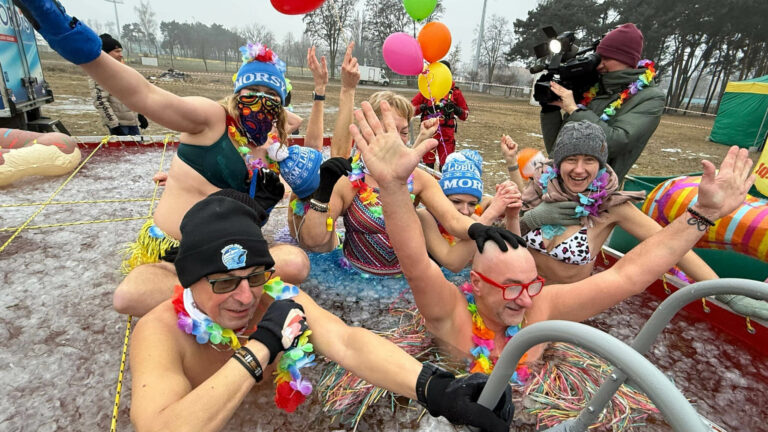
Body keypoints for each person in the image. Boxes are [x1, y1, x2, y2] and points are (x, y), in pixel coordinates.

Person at [349, 98, 754, 368]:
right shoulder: (448, 312)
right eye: (512, 288)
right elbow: (417, 264)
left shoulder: (542, 306)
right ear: (476, 283)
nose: (525, 298)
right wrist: (393, 187)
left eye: (531, 287)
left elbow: (627, 275)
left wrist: (703, 215)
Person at [14, 1, 320, 315]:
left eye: (271, 100)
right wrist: (69, 37)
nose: (260, 105)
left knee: (295, 263)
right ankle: (208, 294)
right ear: (236, 95)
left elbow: (296, 125)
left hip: (232, 257)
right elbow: (144, 94)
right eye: (251, 94)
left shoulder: (269, 143)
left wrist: (313, 95)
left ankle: (215, 293)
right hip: (175, 255)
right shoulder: (211, 119)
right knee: (130, 296)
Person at [128, 191, 514, 432]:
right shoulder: (159, 331)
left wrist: (435, 387)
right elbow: (160, 427)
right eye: (225, 283)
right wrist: (261, 347)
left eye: (255, 276)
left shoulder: (276, 298)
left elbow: (347, 342)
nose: (245, 297)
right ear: (190, 282)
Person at [298, 91, 478, 276]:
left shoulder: (420, 179)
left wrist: (480, 229)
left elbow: (453, 220)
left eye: (404, 132)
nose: (396, 139)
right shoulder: (348, 180)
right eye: (388, 130)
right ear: (368, 130)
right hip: (354, 278)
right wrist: (323, 191)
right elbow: (313, 242)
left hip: (405, 280)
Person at [541, 23, 664, 184]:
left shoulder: (650, 98)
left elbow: (615, 142)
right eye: (599, 58)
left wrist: (574, 110)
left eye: (606, 59)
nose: (599, 65)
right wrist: (549, 110)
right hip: (556, 184)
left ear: (626, 60)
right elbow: (558, 148)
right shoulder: (595, 88)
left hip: (596, 192)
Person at [418, 149, 522, 272]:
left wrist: (512, 217)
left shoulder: (474, 219)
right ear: (442, 199)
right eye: (456, 201)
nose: (465, 211)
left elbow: (515, 260)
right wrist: (492, 213)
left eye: (472, 204)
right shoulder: (425, 216)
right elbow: (452, 264)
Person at [412, 60, 469, 170]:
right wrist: (423, 107)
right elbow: (410, 110)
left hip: (447, 135)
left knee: (446, 165)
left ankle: (443, 181)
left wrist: (456, 109)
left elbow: (465, 115)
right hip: (429, 133)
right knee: (428, 166)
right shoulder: (427, 90)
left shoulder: (455, 92)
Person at [89, 33, 148, 136]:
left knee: (137, 146)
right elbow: (101, 102)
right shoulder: (99, 73)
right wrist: (114, 125)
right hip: (119, 125)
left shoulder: (123, 71)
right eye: (117, 51)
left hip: (132, 123)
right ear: (105, 53)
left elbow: (132, 95)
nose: (121, 54)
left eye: (121, 51)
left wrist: (140, 115)